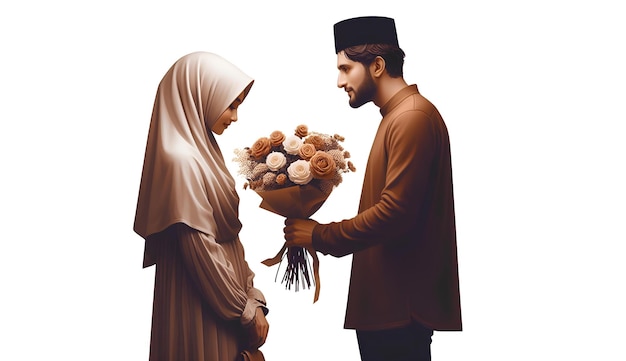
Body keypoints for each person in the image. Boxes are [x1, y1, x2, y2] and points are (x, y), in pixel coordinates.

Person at [283, 16, 462, 361]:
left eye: (346, 68)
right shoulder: (398, 116)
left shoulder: (412, 118)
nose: (339, 81)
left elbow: (394, 214)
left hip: (399, 313)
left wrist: (319, 235)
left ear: (377, 66)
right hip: (388, 311)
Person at [134, 51, 269, 361]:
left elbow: (230, 237)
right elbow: (200, 249)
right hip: (201, 302)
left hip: (226, 296)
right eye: (231, 105)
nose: (235, 117)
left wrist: (251, 294)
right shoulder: (181, 160)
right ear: (200, 94)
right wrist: (244, 310)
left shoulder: (205, 150)